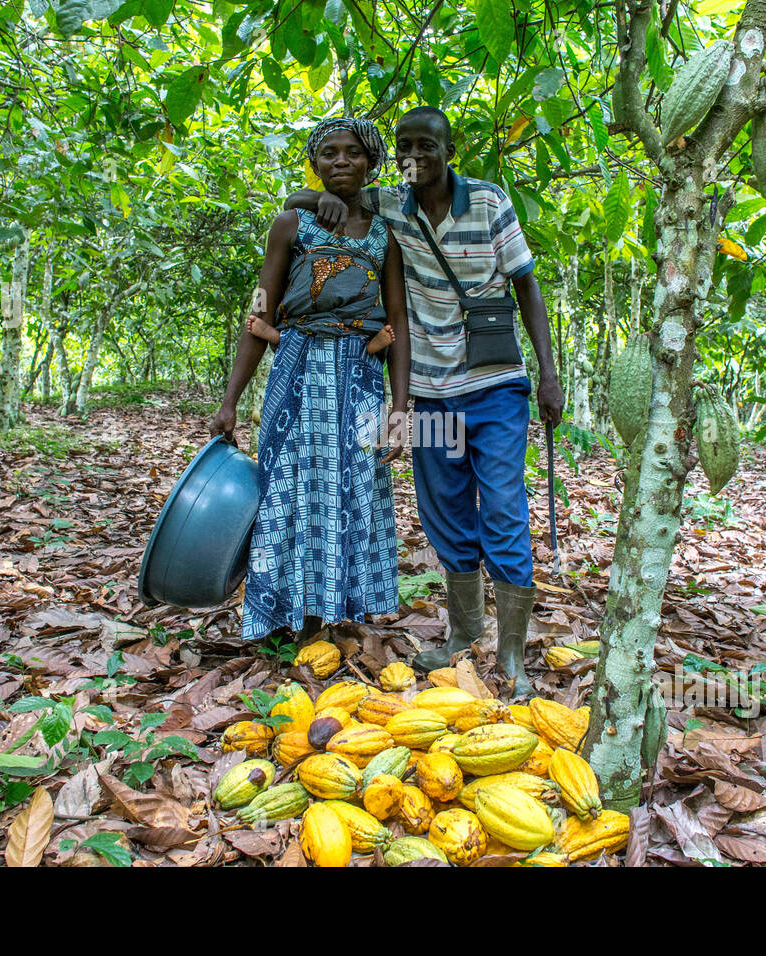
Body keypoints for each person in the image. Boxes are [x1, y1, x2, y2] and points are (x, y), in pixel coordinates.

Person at [287, 106, 564, 698]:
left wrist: (548, 373)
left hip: (495, 388)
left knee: (505, 509)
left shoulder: (489, 201)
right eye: (404, 147)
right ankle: (464, 637)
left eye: (427, 146)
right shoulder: (391, 205)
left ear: (449, 149)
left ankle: (511, 654)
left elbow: (527, 285)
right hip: (432, 396)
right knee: (446, 516)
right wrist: (318, 202)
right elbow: (298, 198)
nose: (415, 157)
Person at [212, 117, 411, 645]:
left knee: (353, 491)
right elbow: (261, 306)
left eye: (352, 153)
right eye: (328, 154)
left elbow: (399, 318)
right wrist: (230, 400)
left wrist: (400, 410)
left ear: (371, 162)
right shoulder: (290, 225)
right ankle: (287, 615)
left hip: (360, 377)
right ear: (315, 163)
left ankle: (336, 613)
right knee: (290, 486)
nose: (340, 162)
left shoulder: (384, 232)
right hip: (296, 373)